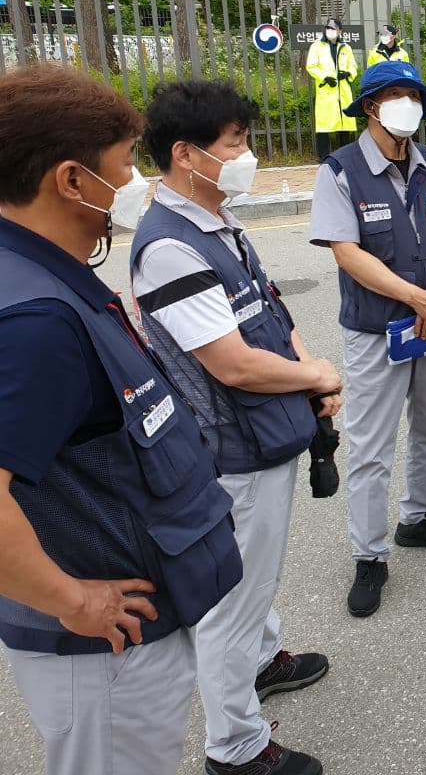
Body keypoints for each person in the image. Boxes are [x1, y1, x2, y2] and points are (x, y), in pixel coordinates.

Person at [0, 65, 241, 775]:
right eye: (125, 164)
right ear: (72, 181)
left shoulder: (43, 274)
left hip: (124, 622)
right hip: (102, 648)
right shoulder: (35, 320)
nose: (137, 181)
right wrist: (71, 601)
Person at [130, 82, 338, 775]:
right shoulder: (168, 247)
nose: (248, 155)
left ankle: (262, 660)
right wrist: (313, 378)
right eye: (236, 144)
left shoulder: (217, 223)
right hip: (234, 450)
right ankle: (237, 748)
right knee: (231, 599)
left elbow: (268, 317)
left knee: (256, 578)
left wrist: (311, 367)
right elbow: (234, 365)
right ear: (186, 155)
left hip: (268, 432)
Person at [309, 61, 426, 618]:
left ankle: (418, 518)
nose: (409, 105)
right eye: (398, 96)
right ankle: (369, 556)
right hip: (378, 328)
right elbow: (346, 252)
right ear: (372, 106)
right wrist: (416, 298)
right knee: (371, 447)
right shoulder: (341, 170)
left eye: (415, 96)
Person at [306, 16, 358, 160]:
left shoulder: (346, 48)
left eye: (333, 28)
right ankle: (324, 158)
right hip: (326, 91)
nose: (329, 31)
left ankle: (345, 157)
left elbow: (353, 66)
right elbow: (311, 66)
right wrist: (324, 77)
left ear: (340, 31)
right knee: (324, 126)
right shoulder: (317, 46)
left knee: (344, 125)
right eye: (328, 28)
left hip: (343, 90)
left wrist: (348, 73)